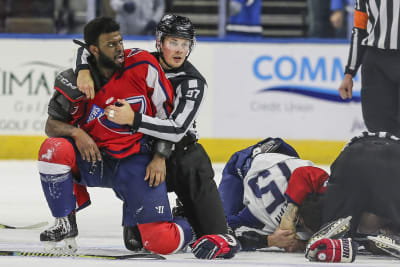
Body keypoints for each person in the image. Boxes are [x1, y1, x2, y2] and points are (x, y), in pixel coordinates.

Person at [72, 14, 240, 260]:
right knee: (137, 243)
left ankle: (187, 216)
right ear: (159, 41)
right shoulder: (139, 61)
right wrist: (84, 69)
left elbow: (176, 129)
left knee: (217, 239)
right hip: (143, 157)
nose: (180, 50)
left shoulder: (192, 82)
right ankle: (169, 215)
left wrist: (134, 120)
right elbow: (91, 50)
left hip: (185, 161)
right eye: (174, 42)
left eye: (185, 44)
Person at [37, 16, 196, 255]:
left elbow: (167, 117)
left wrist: (160, 157)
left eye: (120, 42)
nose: (119, 48)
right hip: (95, 160)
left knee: (160, 242)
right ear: (93, 51)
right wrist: (76, 132)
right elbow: (52, 125)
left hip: (137, 160)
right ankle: (64, 222)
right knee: (53, 149)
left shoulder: (143, 64)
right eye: (111, 45)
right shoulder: (75, 80)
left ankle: (192, 223)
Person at [218, 137, 329, 251]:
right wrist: (270, 240)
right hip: (241, 166)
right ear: (301, 221)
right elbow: (229, 231)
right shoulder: (266, 212)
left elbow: (303, 173)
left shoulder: (324, 190)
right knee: (217, 228)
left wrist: (301, 243)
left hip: (279, 151)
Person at [306, 131, 400, 261]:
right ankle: (393, 234)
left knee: (340, 214)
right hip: (394, 159)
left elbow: (333, 183)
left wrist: (329, 213)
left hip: (351, 157)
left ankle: (332, 223)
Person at [338, 1, 400, 136]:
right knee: (379, 132)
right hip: (376, 65)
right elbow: (359, 29)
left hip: (377, 63)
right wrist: (349, 73)